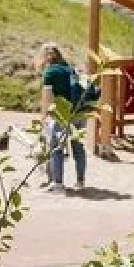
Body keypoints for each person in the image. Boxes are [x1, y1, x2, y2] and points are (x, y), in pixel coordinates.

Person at [34, 42, 88, 193]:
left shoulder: (51, 72)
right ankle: (80, 181)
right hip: (80, 111)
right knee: (78, 146)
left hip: (63, 114)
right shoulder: (71, 69)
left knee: (56, 147)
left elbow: (47, 98)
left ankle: (58, 184)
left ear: (47, 57)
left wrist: (43, 117)